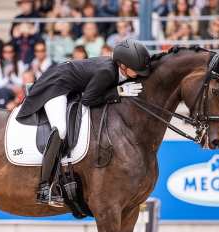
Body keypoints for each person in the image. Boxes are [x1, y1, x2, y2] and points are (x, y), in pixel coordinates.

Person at [16, 38, 150, 206]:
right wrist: (119, 91)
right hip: (56, 86)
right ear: (123, 66)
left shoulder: (118, 69)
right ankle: (44, 187)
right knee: (61, 129)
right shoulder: (107, 72)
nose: (139, 73)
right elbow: (88, 100)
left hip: (70, 83)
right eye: (136, 69)